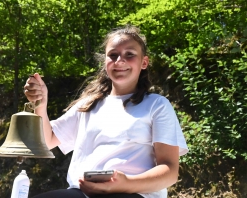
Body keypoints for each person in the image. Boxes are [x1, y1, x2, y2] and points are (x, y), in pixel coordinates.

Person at [24, 25, 188, 198]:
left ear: (144, 62)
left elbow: (170, 171)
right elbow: (47, 141)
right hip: (81, 193)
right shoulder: (88, 105)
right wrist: (40, 105)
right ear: (105, 62)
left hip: (135, 193)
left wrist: (127, 184)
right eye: (113, 55)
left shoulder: (157, 105)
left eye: (130, 54)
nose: (120, 61)